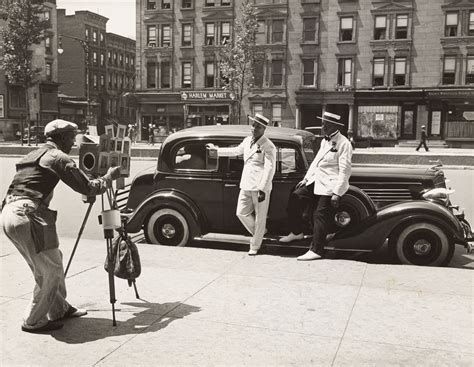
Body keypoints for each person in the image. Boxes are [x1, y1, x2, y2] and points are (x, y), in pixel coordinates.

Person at [1, 119, 121, 333]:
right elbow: (86, 187)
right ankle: (33, 320)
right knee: (50, 272)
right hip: (29, 214)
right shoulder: (57, 156)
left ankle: (59, 308)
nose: (74, 143)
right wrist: (108, 178)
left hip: (10, 212)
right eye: (71, 137)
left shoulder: (34, 154)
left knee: (50, 263)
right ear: (62, 137)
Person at [279, 111, 353, 261]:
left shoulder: (344, 143)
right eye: (323, 123)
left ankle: (317, 250)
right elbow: (316, 162)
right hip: (315, 180)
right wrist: (306, 180)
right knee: (296, 197)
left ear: (335, 126)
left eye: (326, 124)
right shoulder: (325, 141)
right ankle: (296, 232)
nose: (323, 127)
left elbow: (345, 170)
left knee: (319, 215)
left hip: (330, 185)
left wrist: (337, 193)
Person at [207, 113, 276, 255]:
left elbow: (270, 168)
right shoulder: (247, 141)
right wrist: (217, 150)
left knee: (260, 217)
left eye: (258, 127)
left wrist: (263, 188)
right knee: (241, 213)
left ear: (264, 129)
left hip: (260, 186)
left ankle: (255, 246)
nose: (254, 129)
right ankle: (260, 233)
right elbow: (236, 151)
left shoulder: (268, 146)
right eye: (253, 125)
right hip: (246, 183)